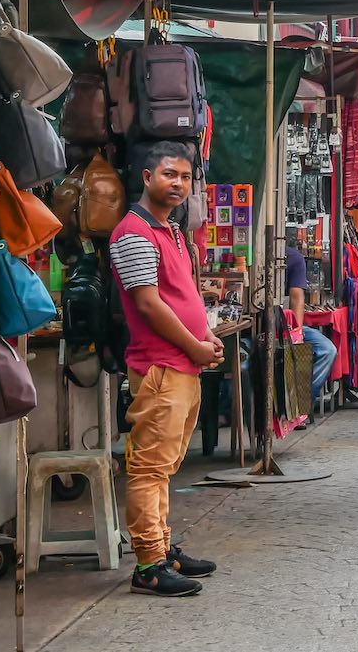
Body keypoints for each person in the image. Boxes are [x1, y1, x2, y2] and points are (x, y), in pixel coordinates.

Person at [110, 142, 223, 597]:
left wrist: (205, 338)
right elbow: (148, 304)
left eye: (184, 176)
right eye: (168, 174)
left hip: (181, 365)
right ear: (146, 177)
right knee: (149, 469)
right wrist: (194, 347)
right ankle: (148, 565)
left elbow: (180, 297)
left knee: (163, 467)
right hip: (160, 366)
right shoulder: (134, 232)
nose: (177, 183)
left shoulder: (172, 231)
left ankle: (162, 546)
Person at [284, 242, 339, 404]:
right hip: (259, 327)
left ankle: (300, 402)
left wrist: (297, 333)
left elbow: (297, 298)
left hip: (286, 324)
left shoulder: (293, 257)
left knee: (327, 350)